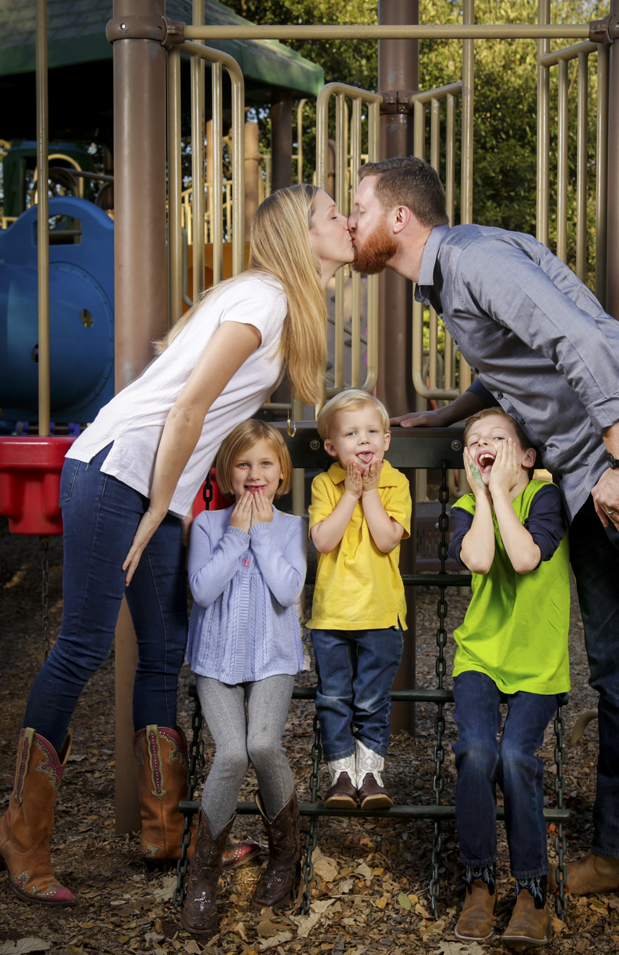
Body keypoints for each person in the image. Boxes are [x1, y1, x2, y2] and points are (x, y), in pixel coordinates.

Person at [347, 156, 619, 906]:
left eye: (357, 207)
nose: (352, 223)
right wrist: (450, 415)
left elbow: (579, 345)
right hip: (591, 467)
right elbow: (518, 362)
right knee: (615, 664)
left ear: (398, 219)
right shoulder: (456, 274)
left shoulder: (475, 260)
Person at [0, 185, 355, 907]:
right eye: (330, 214)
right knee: (84, 644)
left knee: (166, 650)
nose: (344, 221)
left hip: (151, 478)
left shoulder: (273, 302)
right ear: (299, 234)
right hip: (119, 472)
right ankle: (21, 837)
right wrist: (167, 502)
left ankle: (167, 834)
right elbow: (189, 404)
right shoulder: (265, 301)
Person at [448, 408, 569, 947]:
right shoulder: (463, 508)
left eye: (498, 438)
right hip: (480, 656)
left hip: (538, 662)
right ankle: (479, 882)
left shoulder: (544, 499)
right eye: (475, 441)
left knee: (518, 757)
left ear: (526, 456)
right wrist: (481, 495)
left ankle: (530, 892)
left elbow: (523, 558)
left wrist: (500, 493)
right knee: (477, 753)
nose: (484, 444)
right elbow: (478, 558)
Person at [181, 421, 305, 935]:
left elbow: (287, 589)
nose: (255, 474)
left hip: (273, 659)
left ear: (282, 475)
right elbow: (202, 591)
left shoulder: (293, 527)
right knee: (231, 753)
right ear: (226, 473)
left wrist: (259, 533)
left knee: (263, 746)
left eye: (265, 464)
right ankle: (202, 878)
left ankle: (284, 858)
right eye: (243, 464)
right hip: (216, 662)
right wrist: (236, 535)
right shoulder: (209, 525)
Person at [307, 389, 412, 809]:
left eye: (372, 431)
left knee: (371, 699)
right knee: (334, 698)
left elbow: (387, 540)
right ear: (333, 447)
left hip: (381, 613)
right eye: (351, 433)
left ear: (387, 440)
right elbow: (323, 540)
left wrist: (369, 490)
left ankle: (371, 775)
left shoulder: (395, 483)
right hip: (332, 615)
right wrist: (349, 492)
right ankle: (341, 776)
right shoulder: (325, 484)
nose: (364, 439)